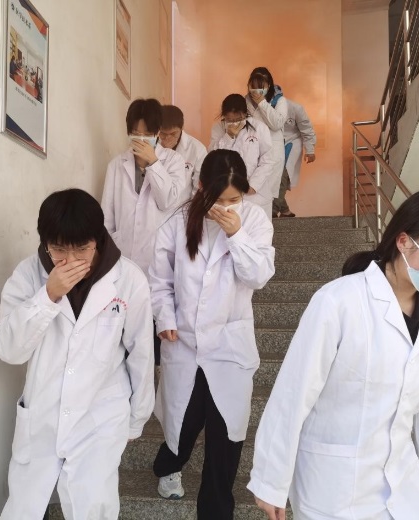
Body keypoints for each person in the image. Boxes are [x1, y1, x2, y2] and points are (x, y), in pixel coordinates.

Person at [248, 188, 419, 520]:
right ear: (404, 242)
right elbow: (293, 393)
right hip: (333, 485)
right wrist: (271, 480)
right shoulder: (339, 300)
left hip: (404, 484)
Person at [0, 189, 155, 520]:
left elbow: (141, 352)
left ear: (98, 240)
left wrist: (137, 417)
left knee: (93, 506)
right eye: (59, 249)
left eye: (82, 248)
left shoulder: (129, 279)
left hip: (101, 413)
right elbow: (8, 349)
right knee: (24, 506)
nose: (70, 260)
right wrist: (47, 296)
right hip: (44, 410)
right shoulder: (28, 275)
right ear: (45, 243)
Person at [150, 149, 276, 519]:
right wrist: (164, 317)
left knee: (225, 439)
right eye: (217, 199)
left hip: (228, 347)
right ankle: (167, 465)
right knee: (184, 424)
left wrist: (236, 235)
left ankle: (216, 511)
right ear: (202, 187)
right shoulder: (178, 222)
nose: (225, 207)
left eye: (233, 200)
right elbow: (159, 280)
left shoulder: (254, 221)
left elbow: (258, 276)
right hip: (184, 343)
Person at [102, 98, 186, 367]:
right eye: (135, 133)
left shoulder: (174, 162)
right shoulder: (117, 165)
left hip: (158, 263)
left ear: (158, 133)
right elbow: (107, 218)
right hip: (122, 262)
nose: (140, 139)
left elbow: (168, 200)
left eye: (147, 134)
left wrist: (153, 164)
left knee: (151, 343)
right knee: (121, 337)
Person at [209, 94, 279, 218]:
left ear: (245, 114)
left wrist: (253, 185)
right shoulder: (218, 129)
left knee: (258, 227)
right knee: (230, 227)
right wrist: (228, 137)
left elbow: (267, 160)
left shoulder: (259, 128)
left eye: (238, 119)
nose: (234, 123)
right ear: (224, 116)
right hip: (228, 192)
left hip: (256, 195)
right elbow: (214, 158)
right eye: (229, 119)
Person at [245, 67, 290, 217]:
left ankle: (266, 225)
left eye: (261, 86)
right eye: (253, 85)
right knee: (251, 192)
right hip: (251, 151)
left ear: (268, 85)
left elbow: (277, 124)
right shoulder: (246, 101)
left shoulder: (279, 100)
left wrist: (262, 103)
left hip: (272, 153)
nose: (256, 90)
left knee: (267, 194)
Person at [274, 96, 317, 218]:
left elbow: (307, 129)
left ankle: (273, 209)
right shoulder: (263, 106)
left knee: (283, 176)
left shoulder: (295, 108)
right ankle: (285, 210)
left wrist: (310, 150)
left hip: (292, 142)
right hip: (274, 143)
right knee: (273, 177)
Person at [159, 104, 208, 198]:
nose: (168, 138)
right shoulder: (153, 145)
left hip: (184, 204)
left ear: (181, 128)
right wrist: (164, 151)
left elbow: (199, 187)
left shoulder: (197, 149)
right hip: (155, 204)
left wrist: (192, 206)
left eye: (173, 133)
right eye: (163, 133)